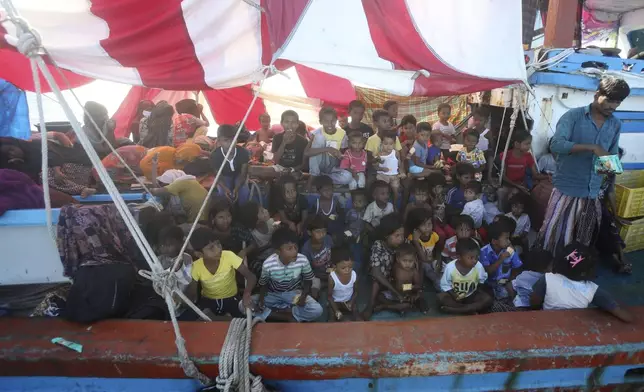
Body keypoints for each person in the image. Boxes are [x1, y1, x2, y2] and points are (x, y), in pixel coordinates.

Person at [539, 77, 630, 255]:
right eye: (609, 100)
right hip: (566, 189)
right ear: (597, 95)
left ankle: (572, 273)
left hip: (592, 193)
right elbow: (556, 144)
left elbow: (610, 158)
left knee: (582, 240)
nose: (613, 106)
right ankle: (549, 270)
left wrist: (611, 169)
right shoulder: (572, 116)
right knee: (553, 236)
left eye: (617, 102)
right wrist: (592, 147)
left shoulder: (615, 124)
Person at [530, 242, 632, 322]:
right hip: (574, 328)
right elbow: (625, 317)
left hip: (546, 323)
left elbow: (534, 302)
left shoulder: (548, 278)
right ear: (587, 271)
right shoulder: (592, 289)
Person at [249, 227, 323, 322]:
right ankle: (283, 316)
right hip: (273, 295)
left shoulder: (302, 260)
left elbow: (307, 280)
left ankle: (283, 312)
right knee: (243, 305)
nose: (294, 251)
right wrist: (261, 300)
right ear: (278, 252)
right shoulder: (268, 264)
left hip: (293, 294)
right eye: (289, 248)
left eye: (295, 247)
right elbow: (264, 284)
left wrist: (303, 296)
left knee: (317, 310)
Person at [187, 228, 256, 318]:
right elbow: (193, 295)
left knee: (245, 323)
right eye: (211, 247)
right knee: (192, 320)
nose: (218, 249)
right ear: (199, 254)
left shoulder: (228, 256)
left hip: (231, 298)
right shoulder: (195, 267)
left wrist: (246, 294)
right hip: (208, 300)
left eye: (218, 244)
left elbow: (251, 277)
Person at [363, 213, 406, 319]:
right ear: (387, 235)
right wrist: (394, 292)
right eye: (397, 235)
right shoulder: (378, 245)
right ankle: (371, 303)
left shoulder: (404, 245)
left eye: (402, 235)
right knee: (377, 279)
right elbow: (376, 273)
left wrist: (412, 290)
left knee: (407, 302)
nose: (401, 239)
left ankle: (384, 305)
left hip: (397, 282)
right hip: (383, 281)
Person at [438, 238, 492, 314]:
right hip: (455, 297)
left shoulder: (478, 266)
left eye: (476, 257)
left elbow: (481, 281)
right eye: (471, 258)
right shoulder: (450, 267)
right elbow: (445, 285)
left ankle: (459, 310)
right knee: (441, 297)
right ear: (459, 257)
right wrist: (454, 295)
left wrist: (474, 293)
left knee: (487, 299)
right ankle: (468, 309)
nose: (475, 261)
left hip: (471, 295)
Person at [495, 130, 546, 210]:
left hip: (520, 185)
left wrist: (547, 177)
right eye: (527, 143)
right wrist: (517, 185)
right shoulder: (506, 155)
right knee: (501, 192)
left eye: (530, 143)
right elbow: (503, 176)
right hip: (508, 184)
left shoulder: (528, 156)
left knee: (514, 194)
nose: (529, 146)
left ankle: (510, 213)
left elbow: (535, 174)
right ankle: (501, 213)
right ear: (517, 144)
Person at [304, 106, 352, 191]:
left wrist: (340, 156)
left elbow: (344, 153)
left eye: (332, 121)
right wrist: (328, 149)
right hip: (320, 165)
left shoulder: (342, 134)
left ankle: (320, 179)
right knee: (319, 138)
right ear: (320, 122)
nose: (330, 124)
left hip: (333, 167)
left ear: (336, 120)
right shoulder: (316, 133)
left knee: (348, 177)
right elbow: (307, 153)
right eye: (326, 121)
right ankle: (313, 177)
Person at [479, 222, 523, 300]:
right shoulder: (483, 252)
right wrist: (501, 259)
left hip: (505, 283)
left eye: (509, 238)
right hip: (488, 284)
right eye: (506, 238)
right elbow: (487, 271)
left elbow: (517, 269)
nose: (509, 242)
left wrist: (508, 280)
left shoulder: (510, 250)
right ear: (494, 241)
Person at [210, 124, 251, 204]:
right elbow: (218, 177)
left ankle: (242, 211)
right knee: (222, 195)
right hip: (224, 176)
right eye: (226, 140)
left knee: (244, 193)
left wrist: (236, 189)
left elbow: (243, 175)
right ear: (219, 141)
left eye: (233, 140)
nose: (230, 144)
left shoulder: (243, 153)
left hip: (239, 175)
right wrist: (226, 189)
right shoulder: (214, 156)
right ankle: (227, 213)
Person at [406, 207, 441, 291]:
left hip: (429, 262)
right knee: (425, 267)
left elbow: (437, 252)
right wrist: (415, 241)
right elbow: (423, 259)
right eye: (423, 225)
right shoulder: (411, 239)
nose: (427, 228)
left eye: (429, 224)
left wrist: (436, 262)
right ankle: (418, 286)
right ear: (416, 228)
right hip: (417, 265)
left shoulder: (434, 236)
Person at [301, 216, 334, 299]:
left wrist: (333, 268)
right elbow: (307, 271)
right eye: (318, 232)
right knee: (314, 292)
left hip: (331, 271)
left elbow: (333, 254)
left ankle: (326, 285)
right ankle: (323, 285)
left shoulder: (328, 239)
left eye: (324, 231)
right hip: (317, 275)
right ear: (309, 232)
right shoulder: (306, 249)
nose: (322, 235)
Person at [391, 243, 428, 314]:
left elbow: (418, 285)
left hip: (410, 293)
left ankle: (413, 304)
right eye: (404, 261)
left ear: (414, 260)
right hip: (397, 294)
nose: (407, 264)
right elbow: (398, 287)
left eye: (410, 261)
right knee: (382, 296)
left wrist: (415, 292)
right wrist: (412, 287)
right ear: (398, 259)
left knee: (420, 296)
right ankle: (398, 306)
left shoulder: (414, 271)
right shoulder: (397, 269)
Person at [327, 246, 360, 321]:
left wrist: (351, 302)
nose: (347, 270)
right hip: (336, 303)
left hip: (348, 301)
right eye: (343, 268)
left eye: (350, 267)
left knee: (358, 317)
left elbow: (356, 292)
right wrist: (336, 311)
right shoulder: (332, 278)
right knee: (331, 320)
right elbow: (329, 297)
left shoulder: (354, 275)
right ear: (335, 267)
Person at [375, 132, 406, 208]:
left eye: (391, 144)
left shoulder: (395, 153)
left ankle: (395, 206)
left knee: (396, 192)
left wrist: (402, 172)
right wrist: (382, 168)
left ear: (394, 144)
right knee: (382, 191)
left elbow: (399, 164)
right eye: (386, 144)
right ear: (382, 143)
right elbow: (376, 167)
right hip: (383, 175)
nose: (388, 146)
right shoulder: (379, 154)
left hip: (394, 175)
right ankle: (382, 205)